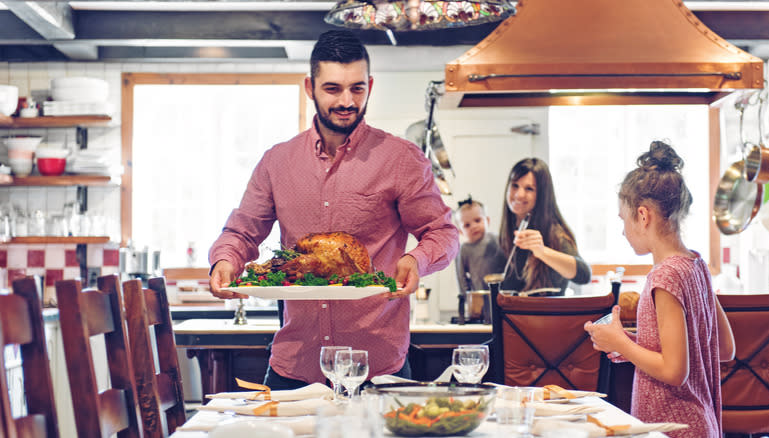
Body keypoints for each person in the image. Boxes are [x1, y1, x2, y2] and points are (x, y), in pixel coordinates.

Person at [207, 30, 459, 389]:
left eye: (357, 89)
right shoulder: (277, 162)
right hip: (294, 367)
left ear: (370, 85)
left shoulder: (401, 159)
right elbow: (242, 231)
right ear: (310, 87)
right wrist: (225, 260)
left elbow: (443, 233)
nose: (347, 100)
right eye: (332, 89)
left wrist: (416, 260)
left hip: (376, 368)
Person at [584, 141, 735, 438]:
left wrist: (623, 343)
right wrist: (627, 341)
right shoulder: (696, 265)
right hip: (701, 424)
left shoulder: (664, 276)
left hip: (674, 429)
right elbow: (725, 348)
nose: (623, 231)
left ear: (643, 216)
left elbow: (675, 370)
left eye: (623, 220)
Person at [498, 158, 590, 294]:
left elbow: (584, 275)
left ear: (542, 195)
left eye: (529, 188)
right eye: (515, 185)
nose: (519, 194)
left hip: (549, 314)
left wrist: (541, 251)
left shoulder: (555, 233)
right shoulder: (508, 231)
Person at [454, 195, 507, 294]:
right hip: (479, 297)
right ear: (460, 231)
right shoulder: (463, 250)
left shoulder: (498, 240)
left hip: (503, 293)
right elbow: (461, 278)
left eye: (477, 220)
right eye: (467, 225)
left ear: (487, 221)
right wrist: (467, 299)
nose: (473, 226)